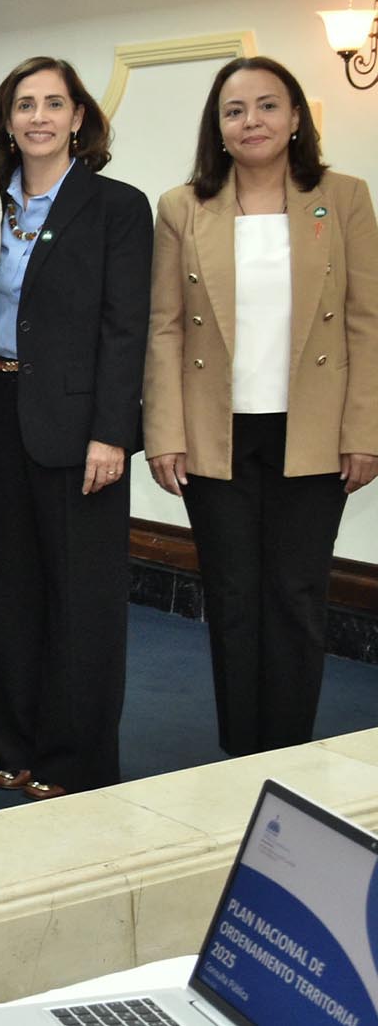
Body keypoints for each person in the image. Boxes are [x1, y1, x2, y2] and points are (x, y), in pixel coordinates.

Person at [143, 55, 378, 756]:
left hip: (314, 434)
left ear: (296, 117)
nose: (252, 121)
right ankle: (241, 756)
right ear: (217, 127)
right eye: (235, 110)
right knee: (235, 597)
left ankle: (291, 750)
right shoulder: (183, 207)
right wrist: (164, 433)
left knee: (298, 598)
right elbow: (164, 325)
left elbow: (368, 318)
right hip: (216, 434)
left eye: (268, 106)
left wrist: (364, 428)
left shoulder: (343, 197)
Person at [0, 57, 151, 801]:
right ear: (7, 122)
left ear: (80, 117)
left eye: (54, 103)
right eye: (23, 104)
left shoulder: (117, 206)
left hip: (80, 428)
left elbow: (125, 327)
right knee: (10, 588)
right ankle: (14, 744)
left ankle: (75, 759)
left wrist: (113, 431)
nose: (38, 116)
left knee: (82, 597)